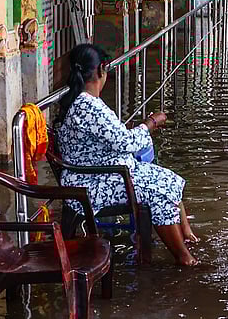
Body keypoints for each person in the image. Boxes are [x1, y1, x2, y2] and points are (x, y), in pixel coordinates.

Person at [54, 43, 201, 266]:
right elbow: (126, 142)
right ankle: (184, 258)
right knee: (158, 195)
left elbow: (113, 137)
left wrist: (138, 128)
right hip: (93, 182)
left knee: (167, 178)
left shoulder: (84, 102)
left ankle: (184, 234)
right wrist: (151, 123)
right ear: (101, 70)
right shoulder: (88, 106)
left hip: (99, 172)